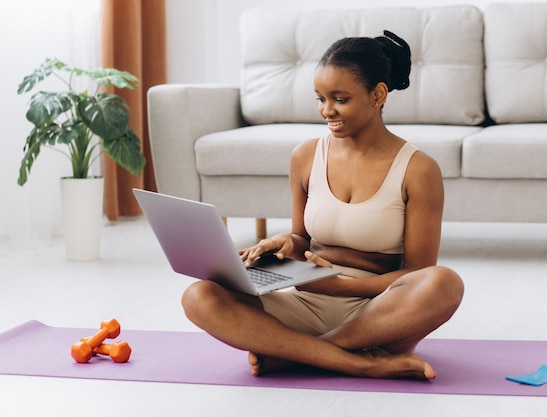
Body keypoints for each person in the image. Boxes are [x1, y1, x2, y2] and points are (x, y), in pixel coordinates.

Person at [181, 30, 464, 380]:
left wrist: (342, 287)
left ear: (377, 95)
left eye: (340, 99)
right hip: (304, 302)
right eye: (320, 98)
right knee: (199, 296)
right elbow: (303, 239)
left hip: (379, 313)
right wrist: (284, 242)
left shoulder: (418, 169)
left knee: (444, 283)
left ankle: (300, 352)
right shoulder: (305, 156)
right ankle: (355, 361)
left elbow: (418, 274)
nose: (326, 110)